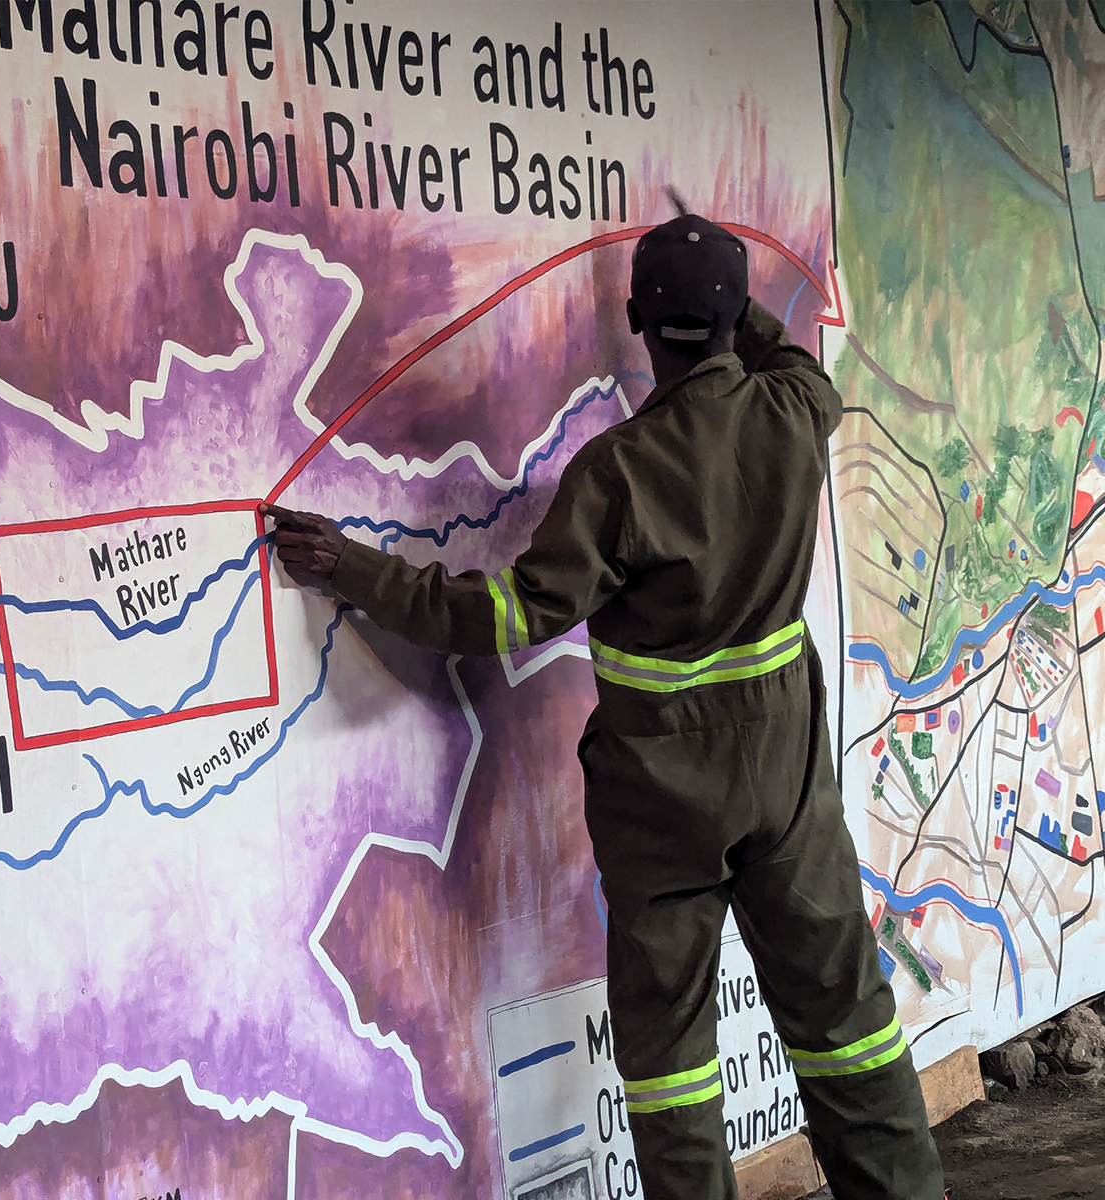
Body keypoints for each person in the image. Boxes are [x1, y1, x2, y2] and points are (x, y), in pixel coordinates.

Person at [262, 214, 945, 1200]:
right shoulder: (796, 414)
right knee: (846, 1023)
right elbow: (791, 360)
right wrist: (731, 309)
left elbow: (499, 616)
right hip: (789, 786)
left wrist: (356, 570)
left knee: (672, 1064)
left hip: (661, 806)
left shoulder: (617, 476)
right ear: (729, 314)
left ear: (636, 320)